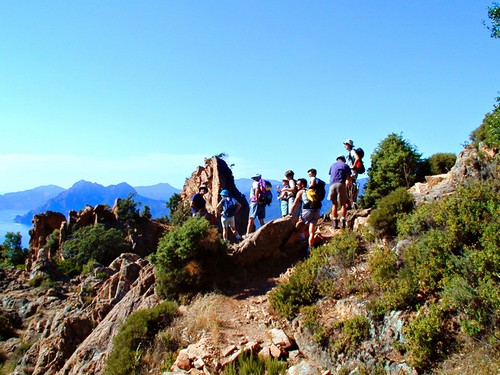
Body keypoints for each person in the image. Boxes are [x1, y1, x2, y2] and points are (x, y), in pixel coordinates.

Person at [289, 178, 321, 254]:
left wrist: (290, 213)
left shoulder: (300, 192)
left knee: (300, 224)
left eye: (298, 184)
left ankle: (303, 239)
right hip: (316, 211)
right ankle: (310, 248)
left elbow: (295, 204)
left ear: (302, 185)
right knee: (312, 231)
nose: (296, 185)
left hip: (307, 211)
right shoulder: (311, 191)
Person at [328, 154, 352, 229]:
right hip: (341, 183)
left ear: (337, 159)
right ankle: (343, 221)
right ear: (344, 159)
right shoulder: (345, 165)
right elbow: (349, 178)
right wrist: (346, 185)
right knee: (343, 203)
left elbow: (330, 175)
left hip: (332, 185)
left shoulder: (332, 165)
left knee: (334, 204)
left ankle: (335, 222)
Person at [343, 139, 361, 207]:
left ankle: (351, 202)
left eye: (345, 144)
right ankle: (353, 202)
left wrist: (353, 166)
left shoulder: (352, 151)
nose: (345, 146)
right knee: (350, 186)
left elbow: (357, 158)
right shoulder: (350, 152)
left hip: (352, 171)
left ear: (348, 145)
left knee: (347, 186)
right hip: (353, 171)